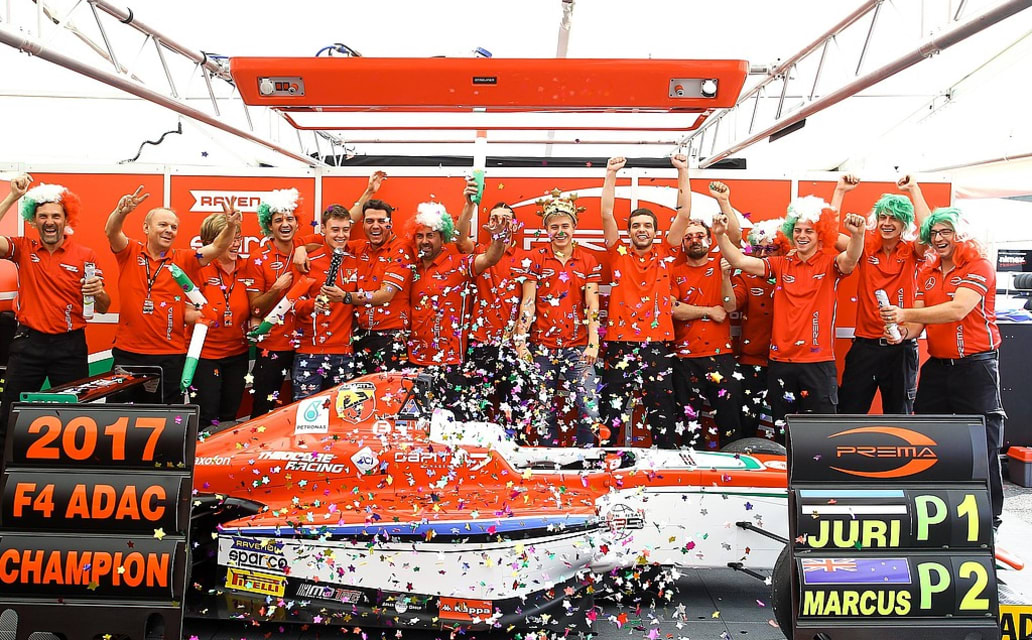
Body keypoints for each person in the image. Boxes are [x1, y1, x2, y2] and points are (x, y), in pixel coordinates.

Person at [880, 207, 1005, 528]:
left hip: (976, 367)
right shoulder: (929, 270)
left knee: (982, 443)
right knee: (926, 438)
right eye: (934, 233)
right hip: (937, 367)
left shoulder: (979, 265)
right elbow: (916, 326)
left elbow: (957, 309)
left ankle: (990, 519)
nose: (938, 238)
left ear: (960, 234)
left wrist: (904, 314)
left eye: (945, 232)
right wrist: (900, 333)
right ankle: (929, 513)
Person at [716, 197, 867, 436]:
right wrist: (720, 235)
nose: (802, 235)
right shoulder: (780, 264)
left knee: (822, 434)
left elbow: (851, 258)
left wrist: (858, 236)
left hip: (818, 363)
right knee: (784, 435)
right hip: (781, 363)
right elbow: (739, 260)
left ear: (820, 235)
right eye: (797, 230)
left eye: (809, 230)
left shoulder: (830, 264)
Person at [105, 186, 240, 403]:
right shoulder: (129, 252)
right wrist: (121, 213)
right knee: (121, 414)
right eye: (163, 225)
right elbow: (112, 232)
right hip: (128, 354)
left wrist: (231, 225)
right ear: (146, 227)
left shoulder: (184, 259)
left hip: (169, 356)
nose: (169, 230)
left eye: (174, 227)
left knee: (165, 417)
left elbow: (216, 247)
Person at [598, 154, 695, 448]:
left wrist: (683, 170)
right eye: (636, 225)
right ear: (628, 231)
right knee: (611, 414)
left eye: (647, 226)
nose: (642, 230)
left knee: (662, 414)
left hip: (657, 344)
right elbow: (606, 214)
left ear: (655, 231)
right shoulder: (618, 253)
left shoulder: (666, 252)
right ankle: (605, 461)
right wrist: (611, 173)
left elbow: (684, 214)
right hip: (620, 343)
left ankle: (665, 460)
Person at [0, 176, 110, 430]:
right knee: (9, 417)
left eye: (56, 216)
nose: (49, 221)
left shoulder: (86, 256)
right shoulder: (23, 248)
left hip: (69, 348)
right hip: (28, 345)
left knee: (74, 420)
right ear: (34, 220)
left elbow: (104, 307)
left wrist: (99, 292)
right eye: (43, 216)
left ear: (66, 220)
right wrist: (13, 196)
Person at [833, 174, 930, 414]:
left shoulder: (913, 251)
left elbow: (929, 230)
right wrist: (840, 191)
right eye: (883, 217)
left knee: (899, 419)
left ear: (904, 223)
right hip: (865, 346)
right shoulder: (864, 245)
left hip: (902, 346)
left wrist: (914, 189)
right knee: (848, 414)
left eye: (894, 218)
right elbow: (828, 234)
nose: (887, 223)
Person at [513, 192, 602, 446]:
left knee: (590, 409)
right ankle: (547, 459)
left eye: (565, 226)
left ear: (574, 227)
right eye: (554, 227)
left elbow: (592, 304)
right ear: (546, 230)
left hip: (579, 347)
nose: (560, 232)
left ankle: (586, 458)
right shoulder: (535, 258)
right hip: (542, 347)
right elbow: (528, 302)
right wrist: (520, 341)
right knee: (543, 411)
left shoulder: (588, 260)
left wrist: (593, 343)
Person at [406, 202, 507, 419]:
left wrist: (499, 237)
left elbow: (490, 258)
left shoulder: (458, 264)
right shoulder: (410, 268)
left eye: (430, 235)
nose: (424, 241)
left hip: (451, 363)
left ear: (442, 238)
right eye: (420, 236)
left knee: (456, 426)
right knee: (418, 426)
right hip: (415, 362)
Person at [669, 182, 744, 447]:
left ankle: (732, 465)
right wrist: (709, 311)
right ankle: (692, 468)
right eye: (688, 237)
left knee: (731, 422)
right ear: (683, 244)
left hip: (721, 358)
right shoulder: (674, 272)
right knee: (689, 428)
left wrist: (724, 201)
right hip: (684, 359)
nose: (694, 240)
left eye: (700, 235)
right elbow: (673, 309)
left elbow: (735, 237)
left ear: (710, 240)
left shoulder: (721, 261)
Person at [455, 180, 527, 424]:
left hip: (512, 345)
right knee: (475, 408)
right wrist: (468, 205)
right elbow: (459, 238)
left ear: (514, 224)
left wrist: (520, 337)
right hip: (480, 342)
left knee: (515, 410)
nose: (500, 223)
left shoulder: (526, 258)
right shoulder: (479, 252)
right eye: (494, 218)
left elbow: (528, 302)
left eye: (505, 219)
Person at [243, 188, 305, 416]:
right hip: (272, 347)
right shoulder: (257, 258)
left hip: (305, 347)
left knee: (306, 411)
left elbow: (339, 227)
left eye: (290, 219)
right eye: (278, 220)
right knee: (263, 410)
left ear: (297, 223)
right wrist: (276, 289)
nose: (285, 224)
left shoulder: (306, 248)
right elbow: (256, 308)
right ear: (269, 225)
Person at [291, 208, 359, 399]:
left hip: (345, 354)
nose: (341, 235)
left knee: (341, 415)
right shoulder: (308, 262)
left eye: (345, 230)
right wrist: (313, 305)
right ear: (323, 229)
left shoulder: (356, 260)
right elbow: (292, 305)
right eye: (335, 229)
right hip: (310, 355)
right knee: (308, 414)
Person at [191, 212, 250, 428]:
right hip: (205, 356)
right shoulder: (198, 268)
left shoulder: (248, 267)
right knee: (206, 417)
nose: (235, 244)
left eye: (238, 238)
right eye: (229, 238)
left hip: (238, 355)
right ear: (212, 242)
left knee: (229, 417)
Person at [731, 217, 786, 435]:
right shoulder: (745, 277)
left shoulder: (793, 275)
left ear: (782, 250)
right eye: (757, 249)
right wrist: (726, 279)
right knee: (746, 423)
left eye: (770, 249)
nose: (762, 254)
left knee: (785, 425)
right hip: (752, 361)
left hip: (787, 362)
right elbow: (732, 304)